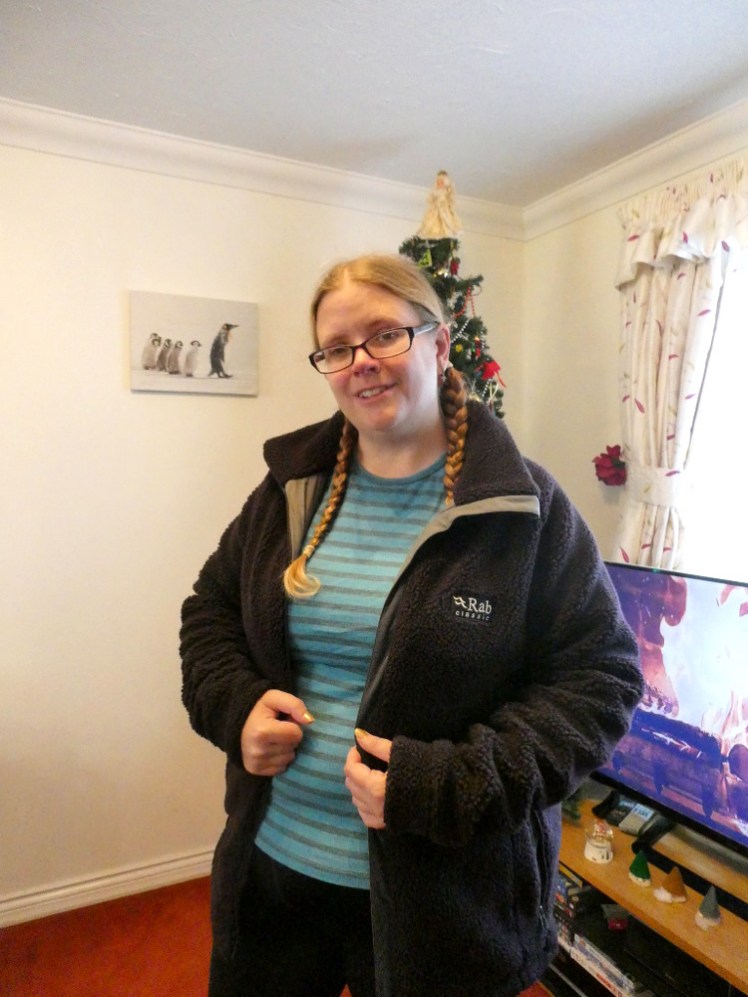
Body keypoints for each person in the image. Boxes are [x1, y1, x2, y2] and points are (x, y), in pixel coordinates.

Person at [180, 252, 643, 997]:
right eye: (337, 348)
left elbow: (602, 680)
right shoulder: (287, 492)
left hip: (442, 906)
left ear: (437, 341)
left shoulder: (525, 508)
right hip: (274, 872)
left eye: (384, 335)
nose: (361, 362)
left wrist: (446, 785)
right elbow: (210, 612)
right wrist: (235, 705)